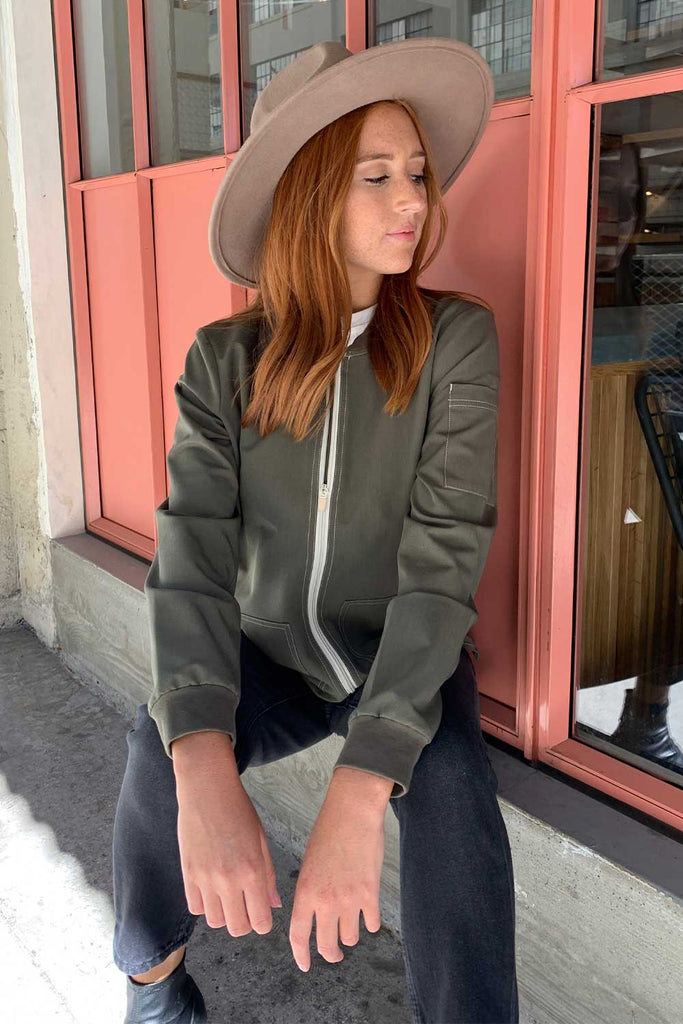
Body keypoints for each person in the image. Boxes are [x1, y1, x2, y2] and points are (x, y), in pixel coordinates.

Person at [111, 38, 519, 1024]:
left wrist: (361, 783)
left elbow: (442, 561)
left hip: (396, 651)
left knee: (451, 782)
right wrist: (201, 760)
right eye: (375, 177)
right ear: (307, 197)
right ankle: (152, 987)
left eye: (415, 172)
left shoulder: (454, 340)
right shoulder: (225, 360)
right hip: (270, 652)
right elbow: (192, 552)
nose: (411, 198)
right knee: (158, 746)